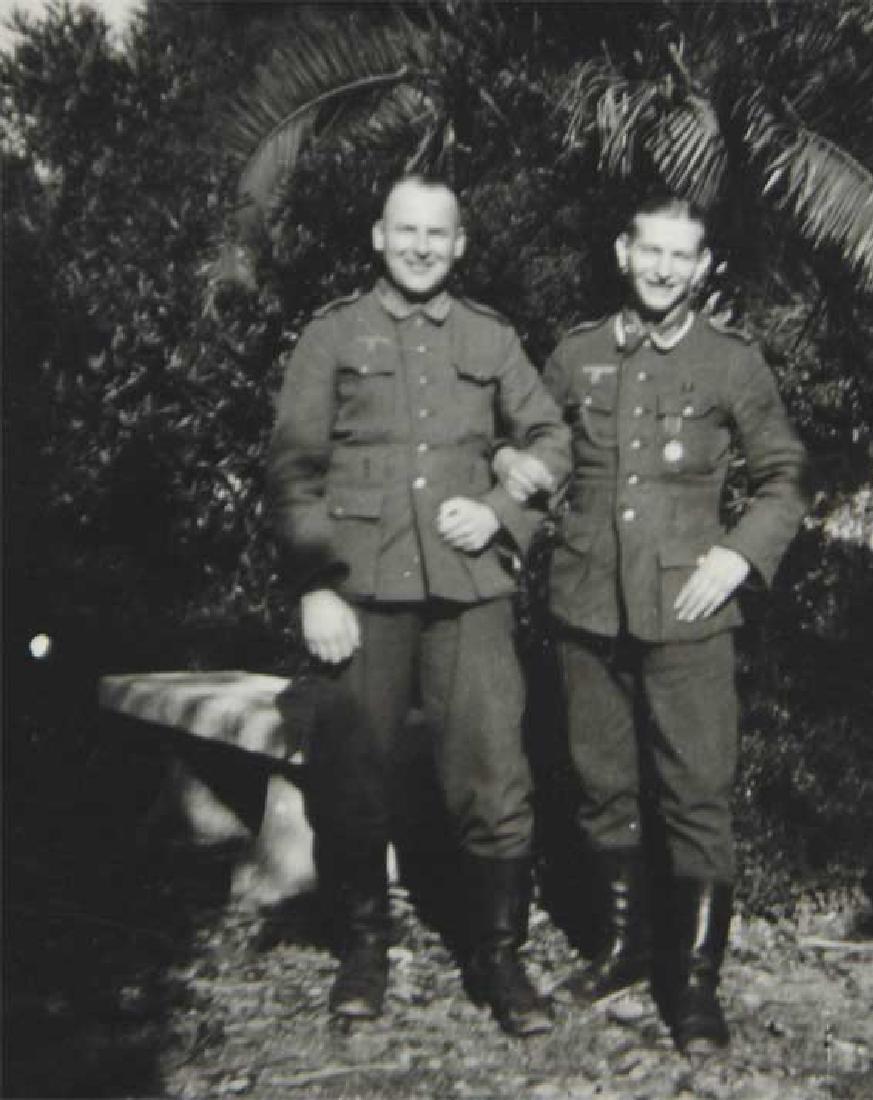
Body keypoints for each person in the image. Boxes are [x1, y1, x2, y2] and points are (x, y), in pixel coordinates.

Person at [495, 196, 807, 1053]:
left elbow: (783, 476)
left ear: (704, 267)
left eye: (683, 256)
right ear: (621, 250)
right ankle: (626, 946)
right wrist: (502, 490)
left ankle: (695, 982)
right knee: (602, 785)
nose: (664, 269)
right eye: (650, 251)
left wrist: (737, 556)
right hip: (587, 604)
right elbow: (534, 451)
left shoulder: (732, 362)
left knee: (696, 793)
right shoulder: (579, 354)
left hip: (689, 611)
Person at [266, 174, 570, 1038]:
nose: (423, 247)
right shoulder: (332, 335)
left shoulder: (489, 336)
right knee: (353, 771)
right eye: (407, 231)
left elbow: (551, 438)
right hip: (359, 591)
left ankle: (499, 958)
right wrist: (315, 582)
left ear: (461, 243)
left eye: (439, 234)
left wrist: (504, 512)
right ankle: (365, 947)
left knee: (490, 768)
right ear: (378, 236)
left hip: (469, 592)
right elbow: (293, 471)